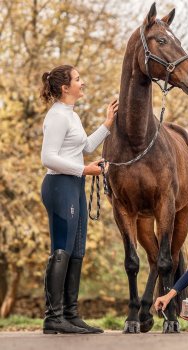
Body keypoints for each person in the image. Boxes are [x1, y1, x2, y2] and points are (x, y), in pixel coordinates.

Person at [40, 64, 118, 334]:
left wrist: (107, 123)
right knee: (61, 249)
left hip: (74, 184)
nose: (82, 83)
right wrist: (85, 168)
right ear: (65, 87)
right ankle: (53, 317)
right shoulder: (57, 116)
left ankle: (70, 315)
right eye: (78, 79)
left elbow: (83, 147)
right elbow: (48, 157)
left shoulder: (71, 115)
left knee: (77, 250)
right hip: (59, 186)